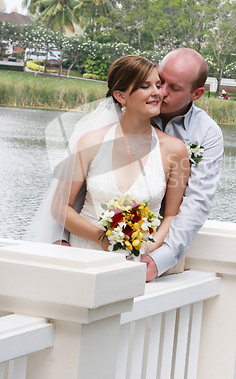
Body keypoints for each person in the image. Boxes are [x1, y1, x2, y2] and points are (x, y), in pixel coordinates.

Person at [29, 55, 190, 256]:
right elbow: (60, 207)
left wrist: (149, 247)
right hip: (86, 253)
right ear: (121, 97)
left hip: (137, 259)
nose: (157, 93)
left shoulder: (175, 150)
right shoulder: (91, 142)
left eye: (158, 85)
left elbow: (172, 215)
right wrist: (102, 238)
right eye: (145, 86)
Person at [141, 48, 224, 281]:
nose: (161, 92)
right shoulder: (130, 110)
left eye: (174, 88)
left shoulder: (208, 134)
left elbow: (197, 201)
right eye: (161, 80)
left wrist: (162, 258)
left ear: (196, 94)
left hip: (160, 253)